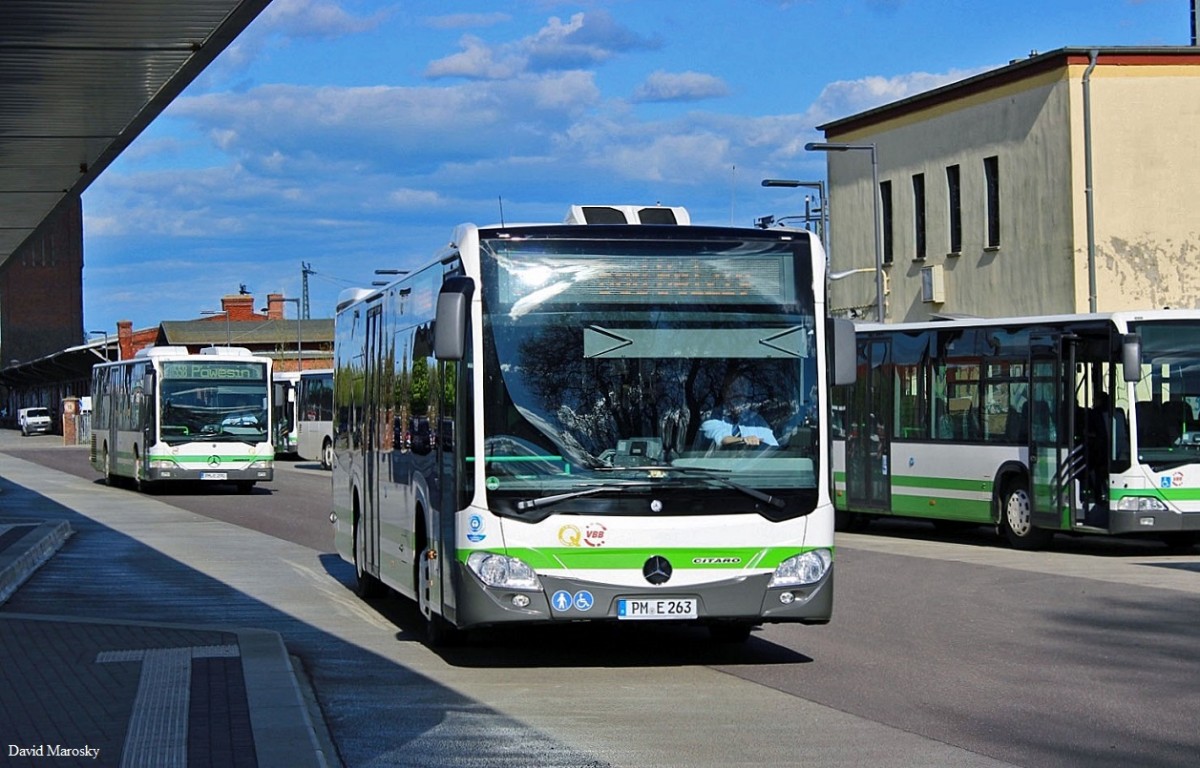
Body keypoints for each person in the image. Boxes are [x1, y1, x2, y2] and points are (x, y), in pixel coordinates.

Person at [698, 376, 778, 448]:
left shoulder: (758, 421)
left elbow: (773, 449)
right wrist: (742, 440)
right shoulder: (713, 416)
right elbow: (720, 437)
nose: (738, 393)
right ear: (725, 392)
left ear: (746, 393)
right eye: (733, 388)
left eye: (742, 388)